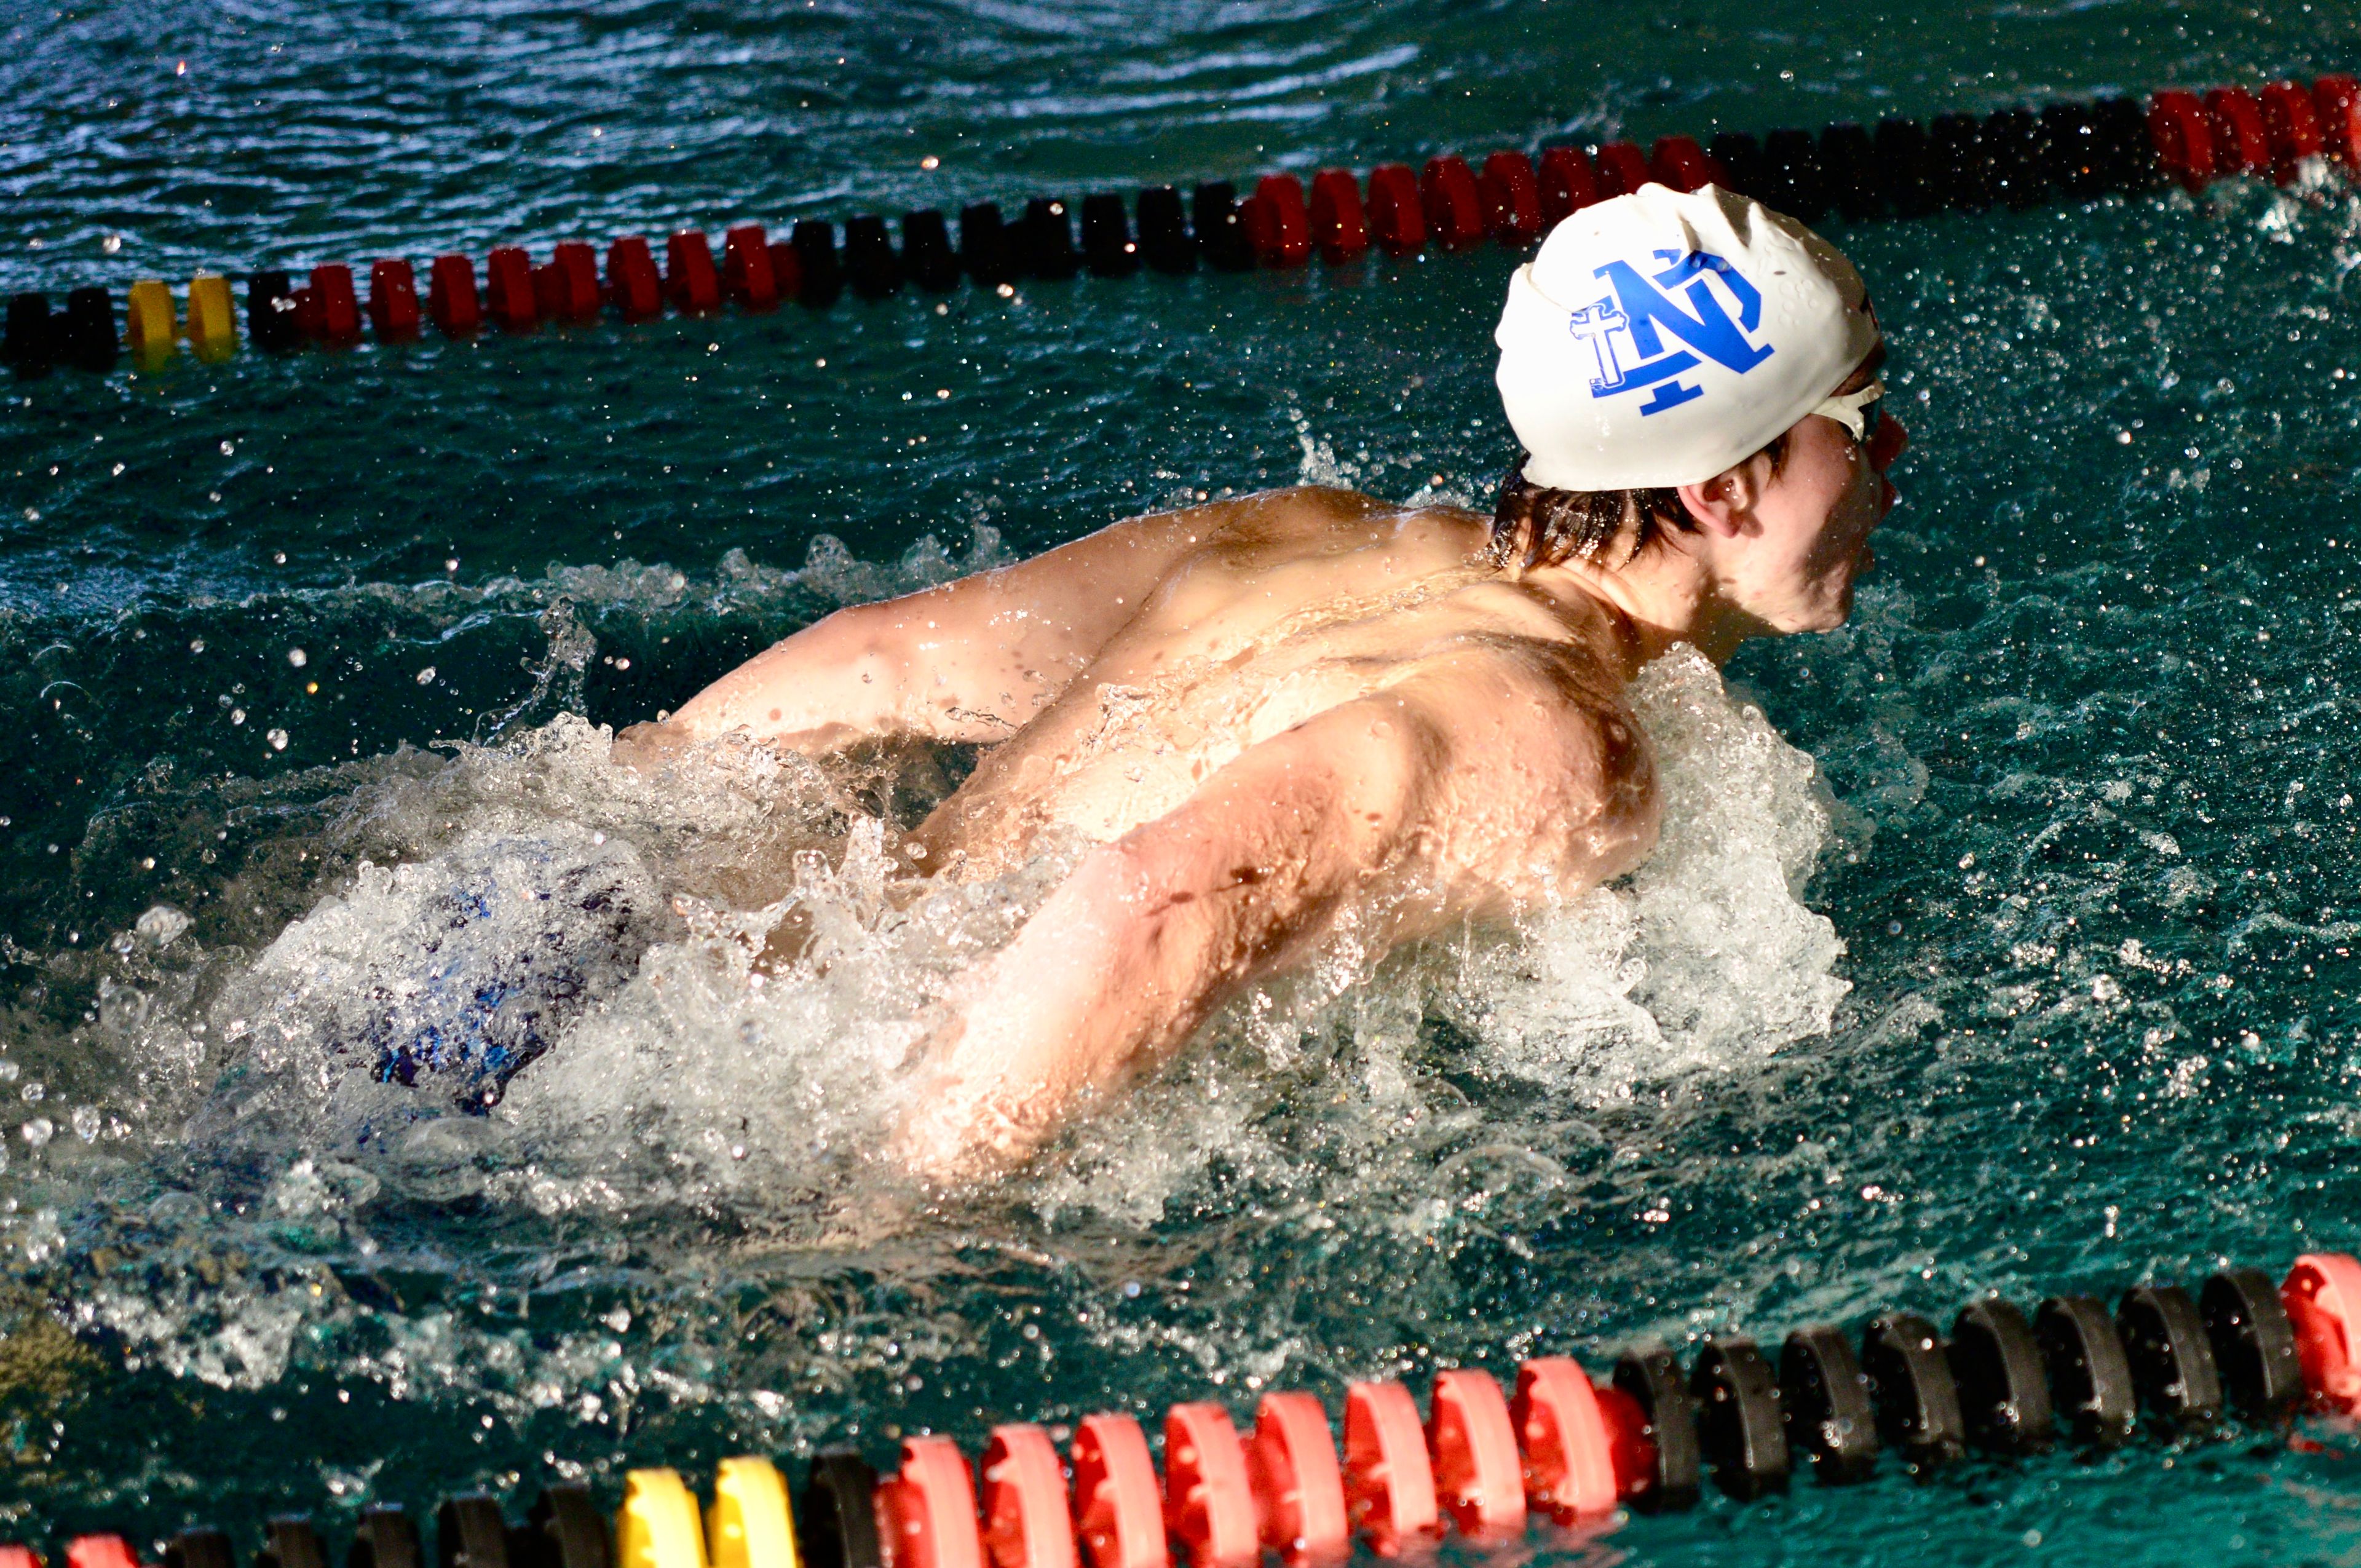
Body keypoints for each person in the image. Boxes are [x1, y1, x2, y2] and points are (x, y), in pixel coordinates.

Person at [612, 182, 1908, 1179]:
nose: (1893, 453)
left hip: (690, 979)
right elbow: (1149, 902)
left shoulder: (1308, 530)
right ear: (1723, 483)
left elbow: (874, 659)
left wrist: (615, 813)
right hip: (822, 1104)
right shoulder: (1559, 739)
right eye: (1860, 420)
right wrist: (885, 1219)